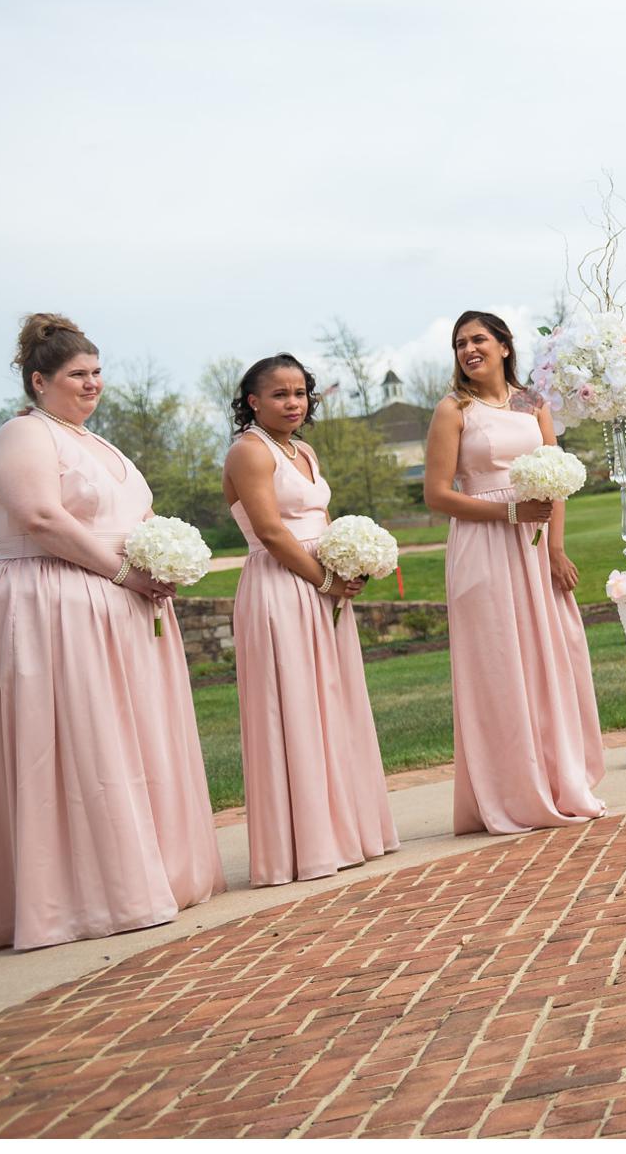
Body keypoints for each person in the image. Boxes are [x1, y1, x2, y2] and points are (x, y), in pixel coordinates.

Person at [0, 314, 225, 953]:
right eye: (77, 375)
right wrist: (125, 571)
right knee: (77, 741)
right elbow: (40, 518)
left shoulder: (97, 443)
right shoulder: (23, 435)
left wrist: (160, 559)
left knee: (126, 739)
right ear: (38, 380)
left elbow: (138, 513)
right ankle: (79, 895)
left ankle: (149, 871)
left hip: (115, 606)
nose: (92, 384)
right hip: (50, 603)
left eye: (98, 372)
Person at [422, 310, 607, 834]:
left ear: (504, 345)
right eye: (459, 343)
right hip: (482, 545)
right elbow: (438, 495)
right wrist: (508, 513)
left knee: (551, 657)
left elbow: (557, 478)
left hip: (536, 543)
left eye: (478, 339)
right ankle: (509, 789)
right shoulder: (453, 410)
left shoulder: (533, 403)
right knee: (499, 662)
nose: (468, 350)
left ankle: (559, 777)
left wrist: (556, 549)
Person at [223, 354, 398, 886]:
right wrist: (323, 580)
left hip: (324, 588)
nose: (293, 402)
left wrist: (349, 564)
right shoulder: (249, 452)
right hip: (282, 587)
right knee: (295, 706)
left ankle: (347, 830)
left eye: (300, 393)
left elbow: (319, 518)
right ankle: (303, 845)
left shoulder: (304, 450)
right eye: (280, 394)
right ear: (253, 401)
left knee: (333, 702)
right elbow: (272, 532)